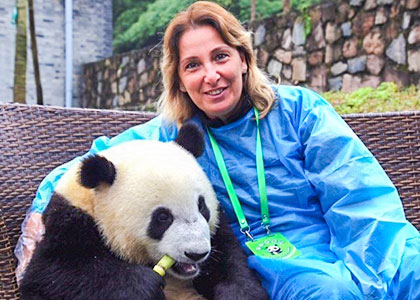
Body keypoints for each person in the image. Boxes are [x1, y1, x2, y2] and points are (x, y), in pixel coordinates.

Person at [15, 1, 420, 299]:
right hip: (278, 265)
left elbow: (360, 194)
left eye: (221, 56)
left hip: (342, 242)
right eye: (192, 65)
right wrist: (39, 211)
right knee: (329, 292)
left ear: (244, 59)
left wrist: (372, 274)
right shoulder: (170, 139)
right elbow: (95, 162)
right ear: (180, 79)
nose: (210, 75)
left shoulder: (301, 111)